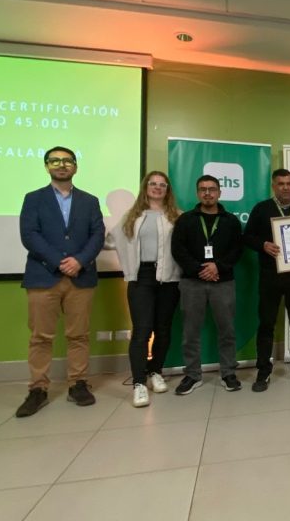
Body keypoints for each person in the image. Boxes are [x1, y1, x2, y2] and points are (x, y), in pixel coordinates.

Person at [16, 146, 105, 418]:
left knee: (79, 335)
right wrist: (59, 261)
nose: (61, 165)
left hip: (81, 276)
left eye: (67, 161)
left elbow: (97, 235)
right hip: (44, 277)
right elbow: (29, 235)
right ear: (47, 167)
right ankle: (38, 389)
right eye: (54, 161)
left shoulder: (90, 201)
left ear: (75, 166)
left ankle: (78, 384)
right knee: (40, 337)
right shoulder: (34, 198)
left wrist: (79, 261)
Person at [106, 171, 182, 408]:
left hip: (169, 278)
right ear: (145, 187)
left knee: (163, 329)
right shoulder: (132, 216)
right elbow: (111, 240)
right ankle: (139, 382)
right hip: (142, 277)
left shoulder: (177, 216)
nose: (157, 187)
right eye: (153, 184)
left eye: (162, 185)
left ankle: (155, 371)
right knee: (142, 331)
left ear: (167, 190)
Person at [243, 169, 290, 392]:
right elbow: (247, 237)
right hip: (270, 276)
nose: (285, 187)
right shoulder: (262, 208)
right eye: (281, 184)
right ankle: (263, 371)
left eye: (289, 183)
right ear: (273, 186)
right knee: (266, 324)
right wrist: (263, 245)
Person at [171, 175, 244, 395]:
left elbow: (237, 250)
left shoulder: (231, 221)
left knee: (227, 330)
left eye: (212, 189)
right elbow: (178, 249)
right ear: (197, 193)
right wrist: (199, 269)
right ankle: (192, 375)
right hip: (192, 282)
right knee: (190, 332)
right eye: (203, 189)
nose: (207, 193)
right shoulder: (185, 220)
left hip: (223, 282)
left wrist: (217, 267)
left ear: (219, 192)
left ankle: (228, 372)